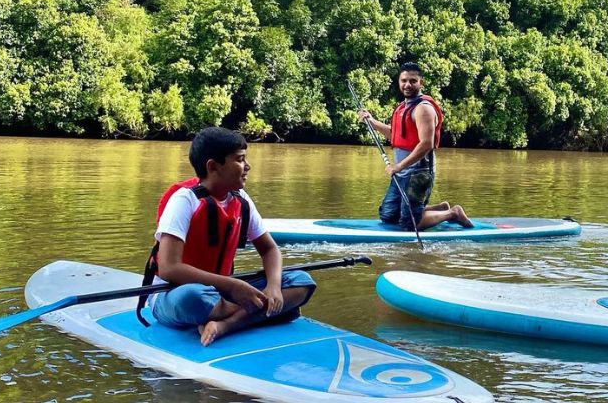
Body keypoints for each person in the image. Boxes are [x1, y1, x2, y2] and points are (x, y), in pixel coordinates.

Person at [140, 127, 316, 346]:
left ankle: (226, 324)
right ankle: (260, 312)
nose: (247, 166)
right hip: (174, 293)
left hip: (222, 292)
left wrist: (272, 286)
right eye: (240, 160)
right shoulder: (184, 200)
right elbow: (169, 268)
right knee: (192, 299)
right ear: (213, 167)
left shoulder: (241, 199)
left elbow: (270, 249)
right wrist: (232, 287)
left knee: (301, 281)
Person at [357, 62, 473, 231]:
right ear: (399, 81)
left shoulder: (423, 109)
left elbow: (426, 144)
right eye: (404, 80)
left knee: (409, 223)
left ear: (421, 83)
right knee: (388, 216)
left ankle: (453, 213)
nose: (407, 85)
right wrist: (372, 122)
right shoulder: (403, 107)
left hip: (419, 172)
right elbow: (397, 136)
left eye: (413, 81)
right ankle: (439, 209)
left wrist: (399, 166)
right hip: (402, 171)